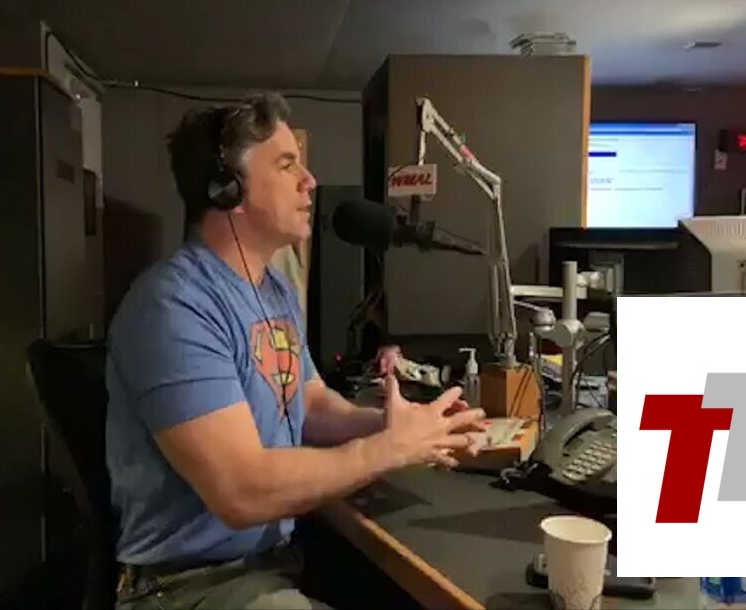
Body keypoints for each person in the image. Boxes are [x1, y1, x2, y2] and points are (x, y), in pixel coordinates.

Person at [105, 92, 487, 610]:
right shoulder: (173, 305)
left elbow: (307, 402)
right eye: (287, 165)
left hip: (276, 562)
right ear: (226, 188)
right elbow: (241, 491)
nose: (310, 181)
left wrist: (394, 424)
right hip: (189, 586)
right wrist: (389, 450)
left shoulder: (275, 291)